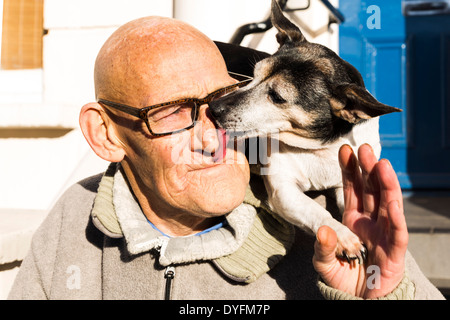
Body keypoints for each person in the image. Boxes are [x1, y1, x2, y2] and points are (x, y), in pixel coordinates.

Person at [8, 16, 444, 300]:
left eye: (222, 98)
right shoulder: (72, 226)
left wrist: (378, 294)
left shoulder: (341, 225)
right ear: (106, 135)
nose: (214, 134)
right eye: (174, 111)